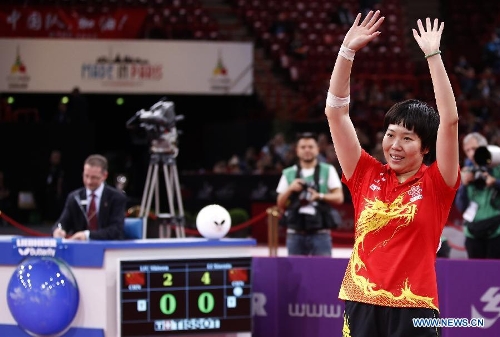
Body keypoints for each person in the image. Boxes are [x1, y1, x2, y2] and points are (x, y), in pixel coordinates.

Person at [325, 11, 459, 336]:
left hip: (414, 306)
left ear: (425, 147)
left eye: (408, 138)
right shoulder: (365, 174)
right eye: (390, 134)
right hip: (361, 301)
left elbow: (450, 120)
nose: (395, 145)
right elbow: (336, 113)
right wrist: (346, 52)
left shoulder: (437, 183)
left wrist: (432, 55)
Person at [276, 132, 344, 256]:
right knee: (295, 273)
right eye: (303, 147)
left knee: (322, 272)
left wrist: (319, 196)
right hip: (294, 232)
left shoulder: (327, 170)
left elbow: (339, 198)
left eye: (311, 147)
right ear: (297, 150)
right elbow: (280, 203)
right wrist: (290, 189)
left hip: (321, 233)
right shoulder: (288, 172)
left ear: (317, 149)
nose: (307, 150)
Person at [52, 154, 127, 240]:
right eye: (86, 176)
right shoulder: (75, 197)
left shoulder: (116, 198)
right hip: (80, 249)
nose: (89, 181)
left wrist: (87, 235)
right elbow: (62, 222)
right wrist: (58, 229)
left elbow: (116, 230)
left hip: (109, 248)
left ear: (104, 176)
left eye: (94, 177)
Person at [454, 132, 500, 259]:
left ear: (484, 147)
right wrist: (464, 185)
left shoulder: (497, 167)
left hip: (496, 231)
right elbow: (461, 207)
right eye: (467, 150)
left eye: (474, 149)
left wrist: (495, 182)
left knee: (494, 275)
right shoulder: (466, 172)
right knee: (475, 274)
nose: (471, 154)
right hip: (472, 232)